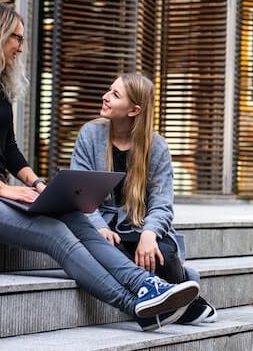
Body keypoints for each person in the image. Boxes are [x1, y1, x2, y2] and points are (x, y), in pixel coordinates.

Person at [0, 2, 198, 332]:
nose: (21, 46)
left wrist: (40, 186)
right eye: (17, 37)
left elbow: (10, 151)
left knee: (73, 215)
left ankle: (146, 285)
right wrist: (1, 187)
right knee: (54, 232)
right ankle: (135, 306)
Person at [70, 73, 218, 326]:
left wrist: (150, 234)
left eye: (115, 95)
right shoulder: (90, 134)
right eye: (109, 90)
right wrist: (100, 227)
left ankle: (174, 291)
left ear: (134, 110)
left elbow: (162, 203)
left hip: (138, 226)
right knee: (107, 252)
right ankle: (184, 301)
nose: (105, 97)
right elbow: (79, 192)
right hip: (101, 224)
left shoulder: (156, 146)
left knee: (163, 253)